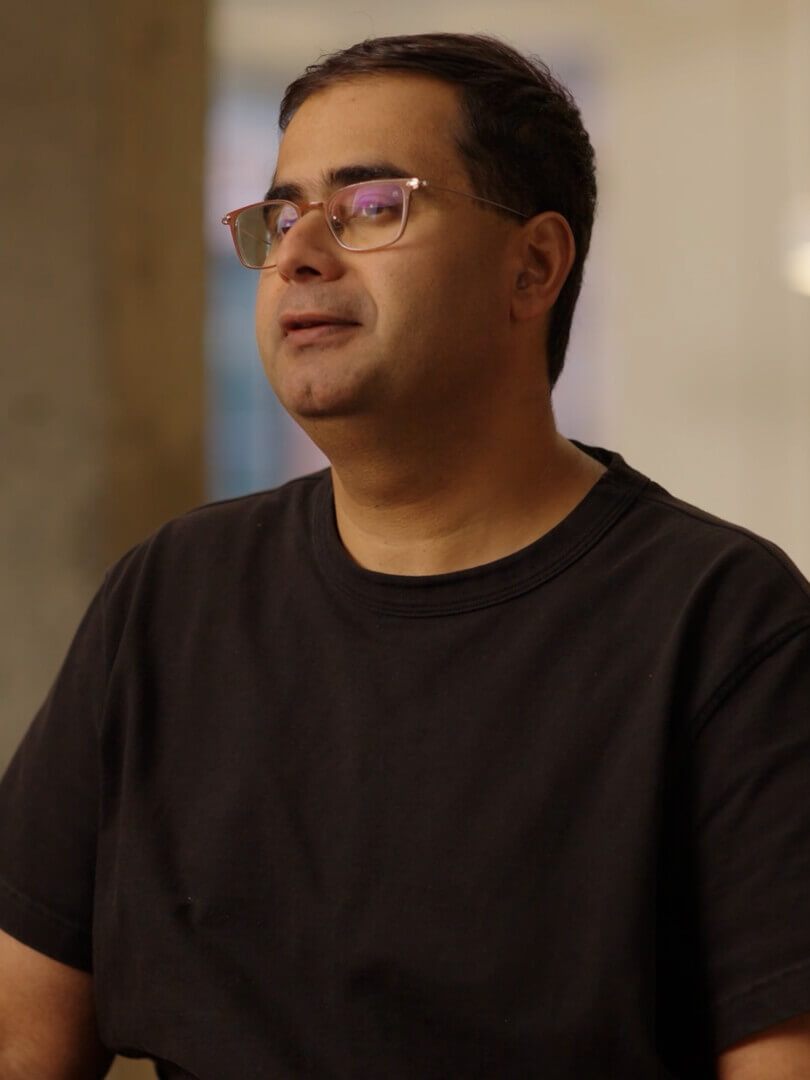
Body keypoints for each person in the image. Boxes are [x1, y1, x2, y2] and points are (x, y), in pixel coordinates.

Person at [1, 32, 809, 1080]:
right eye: (282, 214)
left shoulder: (726, 628)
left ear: (534, 266)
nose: (299, 253)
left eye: (372, 204)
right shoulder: (171, 597)